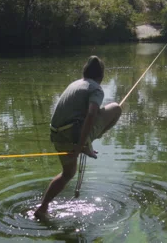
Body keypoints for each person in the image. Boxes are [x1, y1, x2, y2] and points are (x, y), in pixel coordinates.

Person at [34, 55, 122, 219]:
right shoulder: (95, 88)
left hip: (57, 135)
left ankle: (43, 207)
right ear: (101, 76)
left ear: (84, 72)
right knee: (116, 108)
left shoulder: (74, 84)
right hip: (72, 135)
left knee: (67, 174)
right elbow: (91, 114)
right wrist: (80, 145)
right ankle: (87, 143)